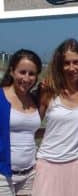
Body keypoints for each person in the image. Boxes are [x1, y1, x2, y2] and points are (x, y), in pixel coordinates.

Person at [34, 39, 78, 196]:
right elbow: (31, 127)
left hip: (76, 166)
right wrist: (44, 132)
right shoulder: (49, 92)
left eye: (76, 62)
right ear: (59, 66)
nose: (71, 68)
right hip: (47, 164)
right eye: (66, 63)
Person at [1, 49, 43, 196]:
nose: (26, 78)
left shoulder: (34, 99)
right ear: (12, 71)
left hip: (29, 174)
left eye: (31, 74)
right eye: (22, 72)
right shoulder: (1, 96)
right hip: (3, 175)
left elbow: (29, 131)